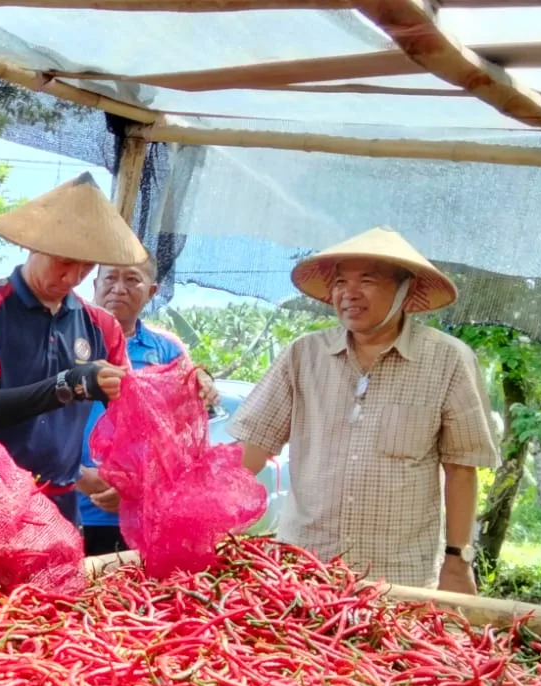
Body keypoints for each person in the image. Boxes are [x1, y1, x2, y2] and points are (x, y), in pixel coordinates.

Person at [228, 227, 499, 591]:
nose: (349, 293)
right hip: (305, 567)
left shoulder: (448, 361)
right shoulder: (304, 355)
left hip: (397, 572)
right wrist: (201, 514)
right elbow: (252, 449)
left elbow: (461, 468)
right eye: (340, 282)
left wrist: (457, 560)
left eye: (367, 280)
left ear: (406, 290)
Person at [0, 172, 138, 525]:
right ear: (33, 244)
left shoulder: (102, 326)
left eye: (87, 265)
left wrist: (128, 475)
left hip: (59, 507)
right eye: (64, 260)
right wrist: (72, 384)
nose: (73, 276)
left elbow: (130, 412)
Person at [75, 258, 218, 555]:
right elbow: (39, 426)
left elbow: (182, 438)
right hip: (71, 507)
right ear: (94, 284)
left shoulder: (167, 349)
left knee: (132, 598)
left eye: (132, 280)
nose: (119, 288)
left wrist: (137, 485)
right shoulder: (66, 340)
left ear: (152, 291)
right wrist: (77, 477)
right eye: (110, 277)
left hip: (142, 513)